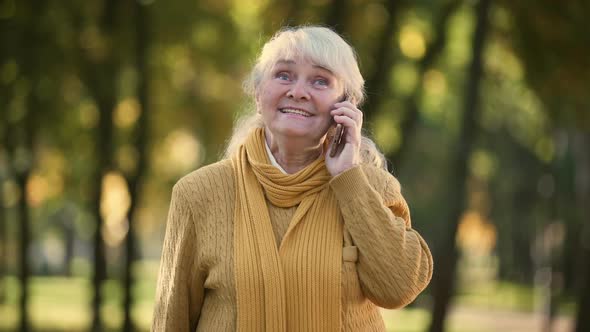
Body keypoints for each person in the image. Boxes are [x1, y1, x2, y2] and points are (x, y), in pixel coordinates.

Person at [152, 25, 433, 332]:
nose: (298, 91)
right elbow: (171, 321)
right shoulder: (198, 194)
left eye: (320, 80)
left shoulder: (371, 188)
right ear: (259, 95)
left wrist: (348, 180)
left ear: (346, 105)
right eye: (284, 75)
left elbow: (399, 288)